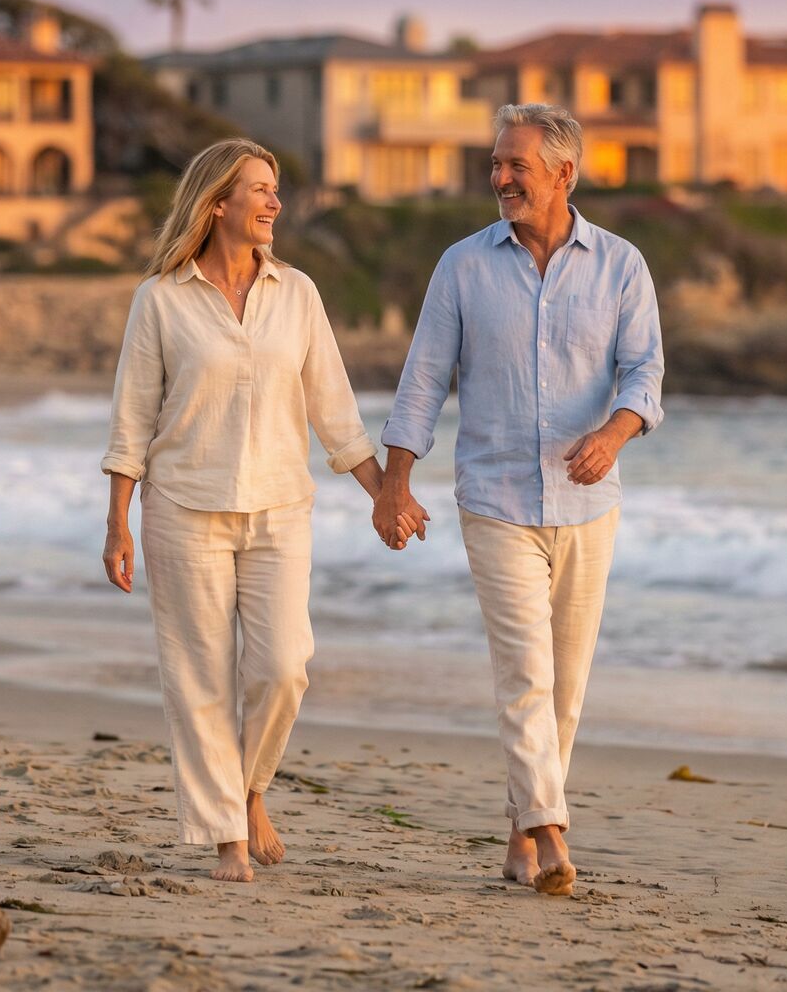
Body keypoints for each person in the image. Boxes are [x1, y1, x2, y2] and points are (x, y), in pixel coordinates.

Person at [372, 104, 665, 897]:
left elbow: (645, 374)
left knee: (565, 687)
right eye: (496, 164)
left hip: (588, 504)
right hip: (495, 498)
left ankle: (518, 833)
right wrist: (394, 483)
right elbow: (423, 381)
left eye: (516, 166)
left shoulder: (620, 266)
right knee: (526, 674)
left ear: (564, 174)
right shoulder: (462, 267)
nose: (499, 178)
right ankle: (552, 831)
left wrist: (615, 432)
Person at [101, 138, 410, 882]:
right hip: (184, 508)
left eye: (275, 190)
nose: (275, 203)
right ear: (218, 205)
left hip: (278, 508)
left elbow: (332, 409)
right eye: (261, 190)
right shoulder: (161, 300)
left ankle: (249, 789)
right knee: (199, 676)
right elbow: (131, 418)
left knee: (283, 666)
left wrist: (385, 496)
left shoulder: (297, 293)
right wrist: (118, 521)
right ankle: (227, 838)